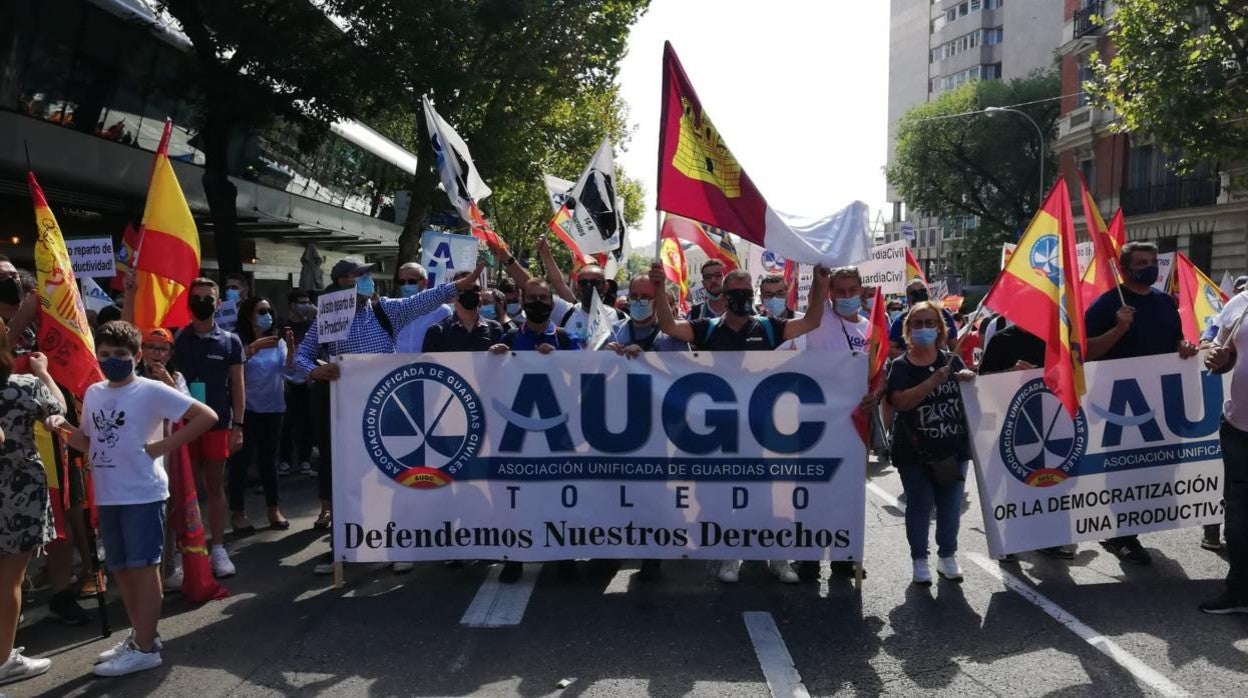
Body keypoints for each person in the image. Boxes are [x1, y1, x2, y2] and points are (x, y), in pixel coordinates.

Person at [294, 258, 484, 576]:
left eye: (370, 275)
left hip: (389, 410)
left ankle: (400, 545)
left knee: (395, 478)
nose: (369, 280)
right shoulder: (328, 318)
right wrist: (314, 368)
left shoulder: (387, 311)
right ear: (342, 281)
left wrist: (459, 285)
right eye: (361, 275)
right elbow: (302, 353)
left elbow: (425, 299)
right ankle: (342, 546)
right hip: (347, 411)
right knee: (349, 480)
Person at [53, 321, 218, 677]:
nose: (113, 360)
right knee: (121, 569)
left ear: (137, 356)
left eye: (121, 354)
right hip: (109, 495)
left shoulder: (152, 391)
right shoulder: (95, 392)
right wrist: (64, 430)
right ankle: (142, 634)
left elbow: (206, 416)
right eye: (106, 354)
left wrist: (160, 447)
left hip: (143, 493)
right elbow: (89, 442)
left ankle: (145, 648)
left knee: (143, 568)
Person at [652, 262, 831, 585]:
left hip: (759, 431)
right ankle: (729, 556)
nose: (741, 298)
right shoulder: (707, 328)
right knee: (720, 499)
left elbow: (812, 321)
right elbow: (667, 324)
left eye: (747, 292)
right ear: (724, 293)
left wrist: (820, 284)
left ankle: (776, 558)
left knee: (766, 498)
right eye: (735, 293)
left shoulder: (768, 326)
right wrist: (658, 286)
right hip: (719, 431)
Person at [1085, 241, 1198, 565]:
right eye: (1142, 262)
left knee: (1159, 465)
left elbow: (1175, 340)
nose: (1150, 267)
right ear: (1125, 268)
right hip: (1120, 404)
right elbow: (1086, 352)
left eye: (1153, 261)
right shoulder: (1107, 305)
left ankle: (1132, 525)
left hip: (1161, 400)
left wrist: (1184, 346)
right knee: (1124, 469)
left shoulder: (1165, 302)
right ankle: (1122, 535)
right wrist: (1119, 329)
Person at [488, 278, 582, 583]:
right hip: (517, 431)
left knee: (560, 496)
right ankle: (515, 556)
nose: (538, 303)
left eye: (544, 298)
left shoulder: (568, 340)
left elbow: (586, 376)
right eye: (532, 297)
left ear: (552, 305)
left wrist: (559, 362)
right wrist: (494, 360)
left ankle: (563, 554)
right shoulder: (509, 337)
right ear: (523, 302)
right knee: (516, 497)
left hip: (558, 430)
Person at [602, 274, 687, 582]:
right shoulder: (612, 332)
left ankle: (651, 553)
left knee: (653, 493)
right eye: (634, 296)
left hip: (658, 430)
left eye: (645, 296)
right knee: (616, 490)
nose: (638, 301)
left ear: (657, 298)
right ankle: (613, 548)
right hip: (617, 426)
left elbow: (685, 376)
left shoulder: (672, 337)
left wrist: (649, 361)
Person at [886, 301, 975, 585]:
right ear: (908, 330)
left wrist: (971, 380)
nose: (924, 328)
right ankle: (919, 559)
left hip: (953, 448)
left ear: (940, 328)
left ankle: (947, 556)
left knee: (950, 506)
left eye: (929, 323)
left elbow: (971, 402)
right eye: (917, 323)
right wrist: (933, 382)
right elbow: (900, 402)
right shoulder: (900, 366)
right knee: (920, 504)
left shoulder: (952, 360)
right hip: (914, 450)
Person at [0, 337, 64, 687]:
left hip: (18, 489)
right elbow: (59, 408)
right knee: (9, 578)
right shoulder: (25, 386)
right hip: (19, 489)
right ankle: (4, 659)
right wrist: (43, 372)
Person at [172, 278, 245, 578]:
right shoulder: (176, 339)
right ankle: (181, 553)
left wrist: (238, 425)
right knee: (182, 491)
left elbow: (238, 388)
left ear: (218, 303)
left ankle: (218, 548)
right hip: (182, 425)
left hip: (218, 424)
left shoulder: (230, 341)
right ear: (189, 301)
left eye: (209, 297)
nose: (203, 301)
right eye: (197, 297)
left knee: (214, 487)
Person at [228, 296, 292, 534]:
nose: (267, 315)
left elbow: (288, 372)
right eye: (261, 311)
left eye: (270, 311)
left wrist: (292, 349)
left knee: (269, 462)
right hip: (246, 411)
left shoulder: (278, 342)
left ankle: (273, 509)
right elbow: (233, 370)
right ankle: (238, 513)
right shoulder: (236, 340)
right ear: (249, 315)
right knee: (240, 463)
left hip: (273, 408)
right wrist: (254, 348)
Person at [1203, 296, 1248, 614]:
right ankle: (1240, 592)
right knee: (1237, 515)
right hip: (1238, 428)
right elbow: (1222, 353)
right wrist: (1217, 359)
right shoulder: (1242, 302)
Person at [136, 328, 192, 588]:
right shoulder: (132, 376)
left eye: (162, 349)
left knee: (168, 510)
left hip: (167, 453)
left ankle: (168, 567)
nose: (156, 354)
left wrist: (168, 381)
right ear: (142, 350)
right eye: (151, 347)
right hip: (137, 454)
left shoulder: (177, 377)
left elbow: (189, 411)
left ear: (170, 354)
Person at [279, 290, 316, 476]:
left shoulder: (313, 325)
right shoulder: (282, 327)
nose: (306, 305)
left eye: (308, 302)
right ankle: (284, 460)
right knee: (287, 423)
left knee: (307, 422)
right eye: (302, 302)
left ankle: (305, 460)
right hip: (287, 382)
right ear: (292, 305)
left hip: (308, 380)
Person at [888, 278, 957, 355]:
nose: (919, 294)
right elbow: (890, 349)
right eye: (914, 292)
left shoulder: (943, 314)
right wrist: (910, 355)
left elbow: (953, 345)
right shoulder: (901, 320)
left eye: (922, 290)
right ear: (908, 297)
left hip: (939, 364)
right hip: (911, 366)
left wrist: (952, 361)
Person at [394, 262, 451, 353]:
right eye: (402, 282)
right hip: (398, 365)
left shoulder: (442, 311)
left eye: (411, 281)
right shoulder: (394, 309)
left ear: (425, 282)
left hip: (428, 364)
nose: (406, 285)